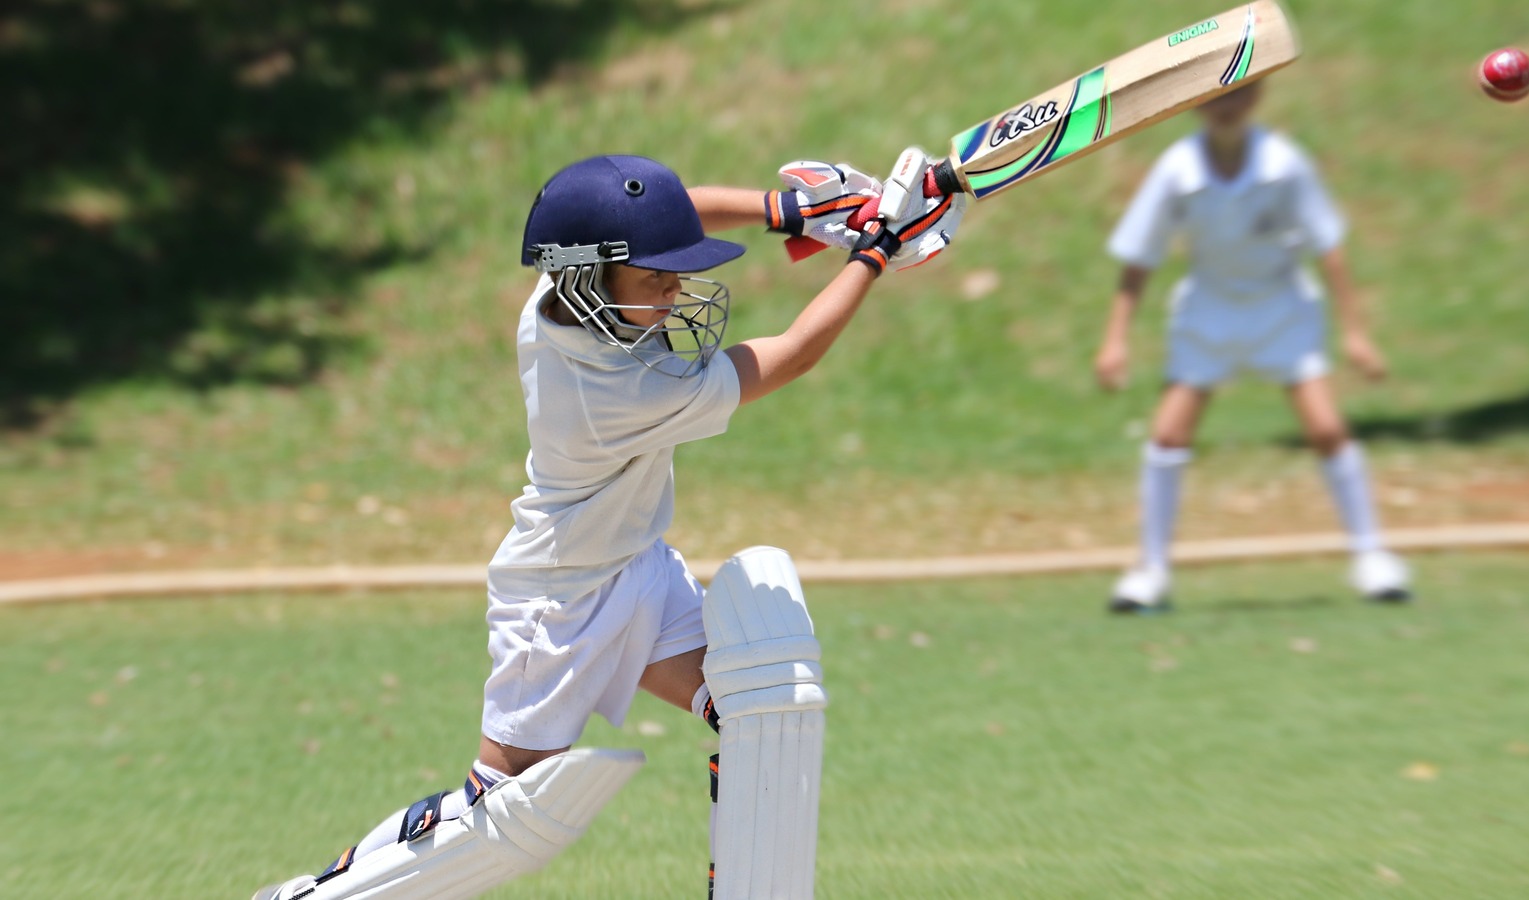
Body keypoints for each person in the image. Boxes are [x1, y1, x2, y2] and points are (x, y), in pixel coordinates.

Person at [253, 154, 964, 899]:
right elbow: (791, 354)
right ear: (593, 281)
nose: (676, 290)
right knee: (501, 813)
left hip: (638, 568)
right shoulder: (622, 389)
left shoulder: (560, 287)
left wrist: (788, 211)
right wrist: (875, 248)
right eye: (657, 280)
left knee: (764, 712)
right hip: (560, 600)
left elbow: (660, 214)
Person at [1092, 81, 1410, 614]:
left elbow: (1329, 247)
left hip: (1280, 304)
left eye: (1238, 95)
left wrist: (1356, 334)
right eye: (1213, 97)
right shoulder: (1177, 171)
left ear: (1257, 98)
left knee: (1327, 429)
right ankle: (1150, 571)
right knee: (1168, 436)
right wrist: (1115, 338)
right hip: (1209, 309)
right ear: (1192, 103)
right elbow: (1140, 257)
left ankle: (1372, 557)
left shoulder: (1285, 164)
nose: (1225, 107)